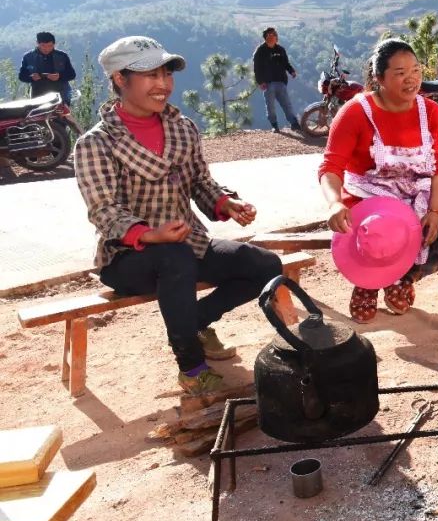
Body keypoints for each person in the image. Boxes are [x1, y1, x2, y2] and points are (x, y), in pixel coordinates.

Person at [74, 36, 282, 395]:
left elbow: (200, 182)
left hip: (186, 244)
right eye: (150, 75)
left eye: (166, 74)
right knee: (174, 257)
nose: (163, 85)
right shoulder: (96, 143)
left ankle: (198, 321)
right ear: (120, 80)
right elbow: (103, 211)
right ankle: (191, 366)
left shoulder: (181, 128)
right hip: (128, 258)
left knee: (265, 265)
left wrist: (224, 204)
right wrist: (150, 235)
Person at [319, 38, 438, 322]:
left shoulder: (430, 113)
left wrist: (434, 211)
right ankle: (367, 282)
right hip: (368, 202)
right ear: (379, 78)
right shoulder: (356, 113)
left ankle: (404, 274)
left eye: (416, 70)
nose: (411, 79)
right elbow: (331, 167)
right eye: (400, 73)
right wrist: (334, 204)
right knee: (384, 229)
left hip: (415, 196)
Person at [252, 27, 301, 133]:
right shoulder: (260, 51)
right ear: (266, 37)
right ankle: (274, 125)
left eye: (274, 35)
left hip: (281, 81)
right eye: (271, 35)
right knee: (270, 107)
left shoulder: (280, 50)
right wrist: (260, 82)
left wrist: (291, 71)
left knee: (287, 104)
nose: (274, 37)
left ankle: (294, 123)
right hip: (268, 83)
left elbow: (286, 63)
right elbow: (256, 68)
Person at [19, 32, 76, 105]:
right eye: (43, 46)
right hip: (38, 97)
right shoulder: (28, 57)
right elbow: (22, 76)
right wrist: (31, 77)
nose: (47, 49)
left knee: (61, 116)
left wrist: (59, 76)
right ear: (37, 43)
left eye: (50, 46)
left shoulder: (62, 56)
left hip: (61, 95)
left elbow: (72, 74)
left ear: (54, 44)